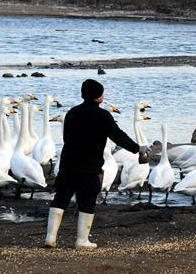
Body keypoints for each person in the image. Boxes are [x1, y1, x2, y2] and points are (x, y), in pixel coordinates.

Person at [44, 79, 150, 249]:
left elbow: (66, 138)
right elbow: (118, 136)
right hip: (89, 165)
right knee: (87, 200)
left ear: (82, 94)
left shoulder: (72, 113)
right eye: (102, 93)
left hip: (68, 163)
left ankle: (50, 237)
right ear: (99, 97)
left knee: (61, 198)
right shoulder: (103, 116)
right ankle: (82, 241)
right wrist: (137, 148)